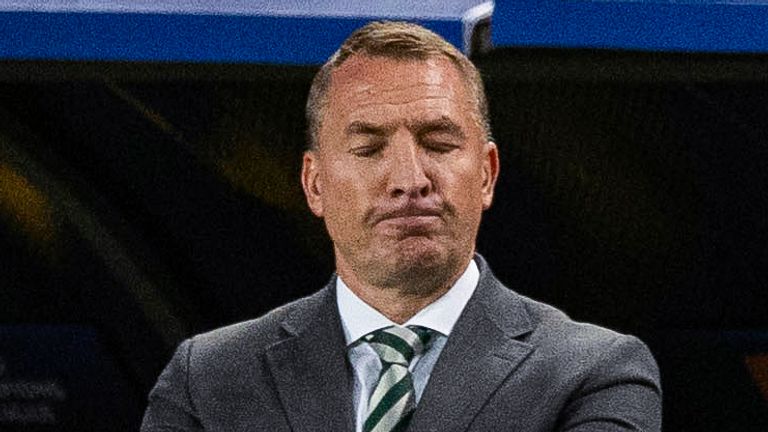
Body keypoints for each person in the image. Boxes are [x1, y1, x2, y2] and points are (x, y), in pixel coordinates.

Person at [141, 21, 661, 432]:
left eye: (438, 143)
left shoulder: (593, 374)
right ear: (314, 184)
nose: (410, 180)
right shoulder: (208, 378)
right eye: (368, 149)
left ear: (486, 173)